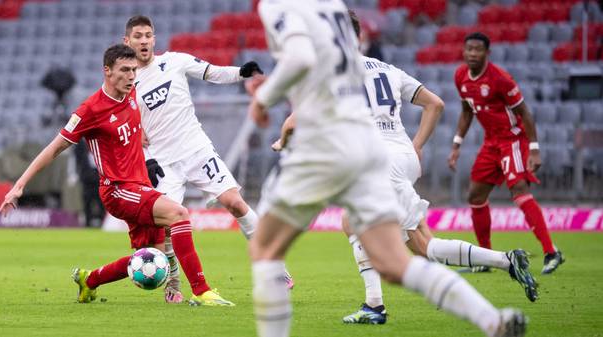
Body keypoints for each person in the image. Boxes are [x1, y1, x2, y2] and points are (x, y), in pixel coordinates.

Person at [248, 1, 526, 337]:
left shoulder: (280, 6)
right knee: (396, 259)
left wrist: (264, 100)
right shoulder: (337, 12)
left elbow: (301, 63)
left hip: (332, 148)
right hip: (372, 154)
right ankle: (492, 321)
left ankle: (373, 306)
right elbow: (432, 102)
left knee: (265, 247)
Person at [0, 44, 233, 306]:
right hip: (118, 190)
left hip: (140, 184)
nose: (132, 76)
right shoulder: (90, 110)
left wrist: (147, 151)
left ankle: (90, 280)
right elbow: (55, 148)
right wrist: (19, 186)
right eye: (125, 70)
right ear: (107, 71)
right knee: (179, 213)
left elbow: (136, 125)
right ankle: (201, 290)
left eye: (133, 70)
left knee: (151, 254)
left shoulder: (132, 94)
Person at [122, 16, 293, 303]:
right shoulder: (127, 80)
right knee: (166, 224)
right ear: (127, 41)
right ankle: (172, 283)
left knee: (236, 202)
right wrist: (142, 151)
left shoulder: (174, 61)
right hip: (161, 161)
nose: (143, 41)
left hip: (195, 149)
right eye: (137, 36)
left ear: (154, 39)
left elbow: (211, 72)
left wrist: (242, 72)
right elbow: (123, 121)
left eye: (148, 35)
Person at [448, 32, 565, 274]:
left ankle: (551, 252)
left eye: (477, 49)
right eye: (468, 49)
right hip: (491, 143)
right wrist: (457, 144)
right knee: (475, 196)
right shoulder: (460, 76)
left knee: (519, 191)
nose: (472, 53)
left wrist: (534, 150)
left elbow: (525, 113)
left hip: (512, 140)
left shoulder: (500, 79)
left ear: (487, 53)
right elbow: (467, 111)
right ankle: (485, 258)